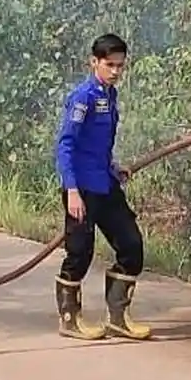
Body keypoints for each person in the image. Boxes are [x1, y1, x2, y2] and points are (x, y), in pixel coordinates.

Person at [53, 33, 150, 341]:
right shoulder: (82, 98)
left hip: (105, 184)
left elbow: (97, 145)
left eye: (121, 65)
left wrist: (113, 167)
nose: (116, 71)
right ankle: (70, 319)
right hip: (82, 188)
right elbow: (66, 145)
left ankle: (118, 318)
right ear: (94, 62)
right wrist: (71, 190)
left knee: (131, 245)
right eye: (110, 65)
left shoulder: (110, 95)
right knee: (79, 254)